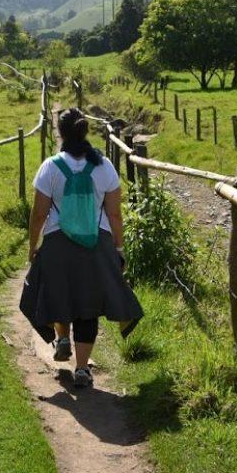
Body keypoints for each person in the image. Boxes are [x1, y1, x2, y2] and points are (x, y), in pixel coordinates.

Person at [19, 107, 143, 388]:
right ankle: (83, 369)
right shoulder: (104, 166)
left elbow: (38, 215)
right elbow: (115, 215)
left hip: (57, 244)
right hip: (96, 244)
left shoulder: (50, 166)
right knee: (88, 305)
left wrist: (33, 246)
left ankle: (62, 338)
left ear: (60, 132)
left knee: (60, 294)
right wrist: (119, 249)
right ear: (85, 131)